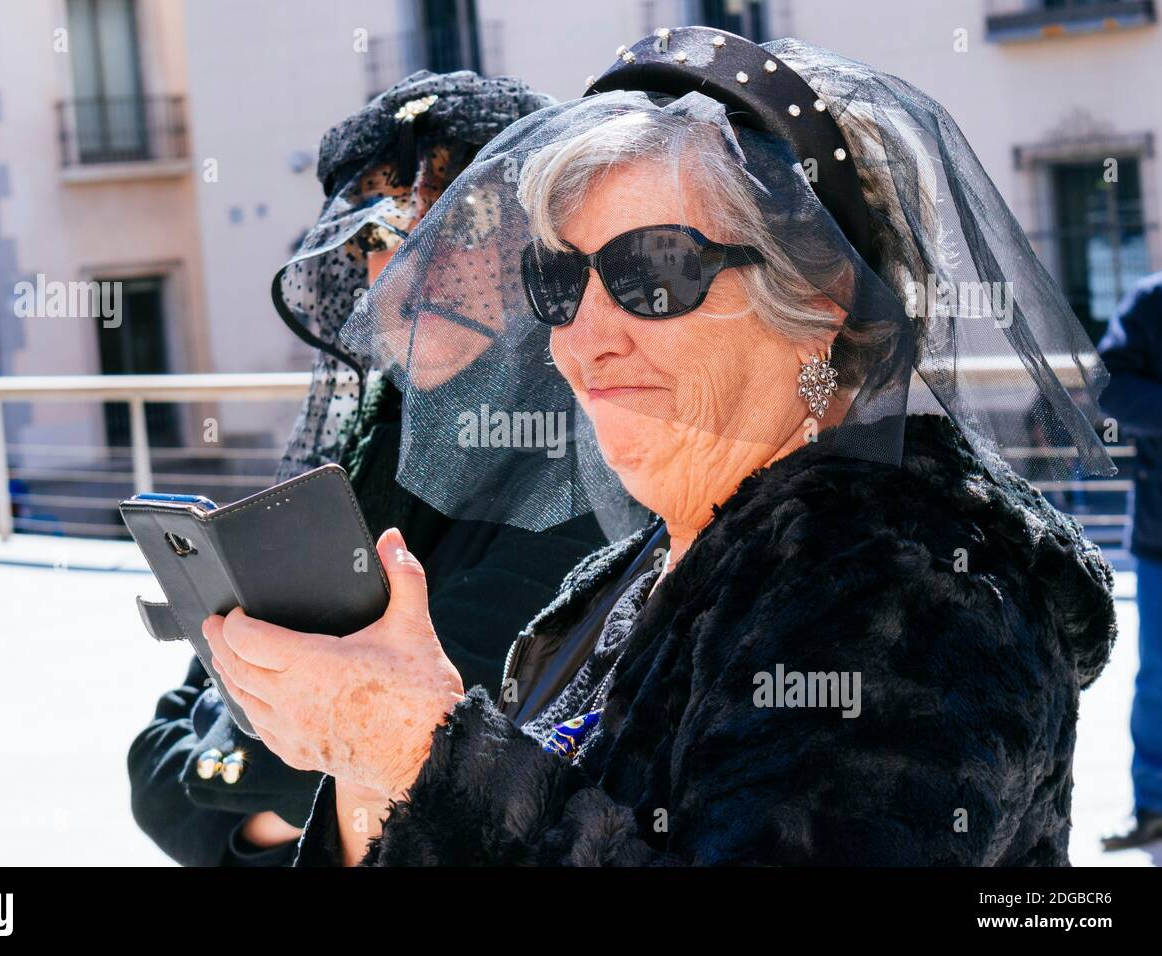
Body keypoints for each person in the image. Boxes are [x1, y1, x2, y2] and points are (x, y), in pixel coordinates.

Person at [204, 28, 1119, 866]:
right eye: (559, 278)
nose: (583, 335)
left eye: (655, 272)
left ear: (821, 298)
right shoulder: (641, 568)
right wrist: (370, 765)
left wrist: (420, 750)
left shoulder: (912, 595)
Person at [126, 71, 604, 867]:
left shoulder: (590, 463)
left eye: (457, 232)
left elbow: (439, 756)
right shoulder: (374, 434)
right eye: (380, 240)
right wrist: (283, 789)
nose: (409, 273)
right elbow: (157, 765)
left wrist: (274, 785)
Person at [1098, 271, 1162, 850]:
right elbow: (1110, 385)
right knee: (1158, 681)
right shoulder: (1150, 300)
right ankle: (1154, 808)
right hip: (1161, 535)